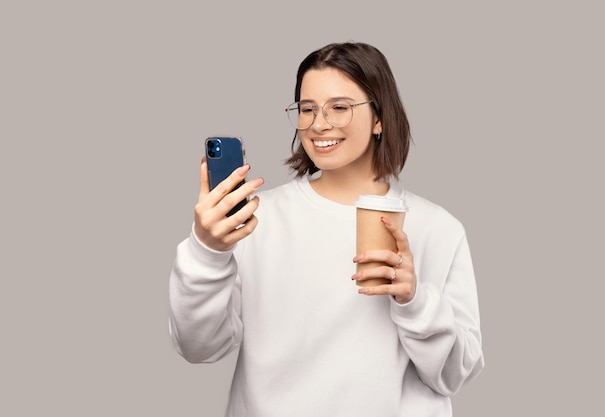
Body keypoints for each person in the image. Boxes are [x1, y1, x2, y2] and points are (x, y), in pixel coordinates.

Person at [169, 41, 484, 417]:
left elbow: (454, 376)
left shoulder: (438, 228)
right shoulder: (254, 220)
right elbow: (198, 347)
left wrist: (415, 301)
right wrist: (206, 251)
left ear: (380, 117)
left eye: (339, 107)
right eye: (307, 109)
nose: (319, 124)